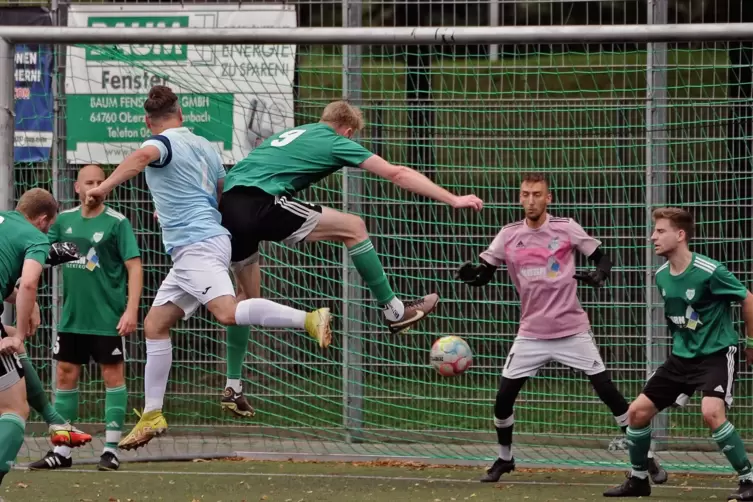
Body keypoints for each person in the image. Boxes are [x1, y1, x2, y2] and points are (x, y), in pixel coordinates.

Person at [85, 85, 332, 451]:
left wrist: (102, 188)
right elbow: (218, 193)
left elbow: (141, 158)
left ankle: (309, 319)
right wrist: (173, 209)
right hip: (199, 245)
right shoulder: (204, 147)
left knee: (229, 313)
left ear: (148, 122)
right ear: (181, 113)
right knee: (155, 325)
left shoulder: (162, 143)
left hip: (197, 246)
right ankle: (153, 414)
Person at [217, 100, 483, 412]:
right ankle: (394, 310)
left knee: (246, 302)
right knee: (354, 227)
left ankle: (233, 386)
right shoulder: (335, 140)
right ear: (348, 131)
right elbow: (397, 173)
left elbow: (228, 178)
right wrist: (452, 198)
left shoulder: (292, 134)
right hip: (261, 205)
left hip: (228, 209)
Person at [456, 173, 666, 484]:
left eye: (537, 194)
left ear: (548, 198)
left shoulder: (565, 228)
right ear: (519, 198)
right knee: (503, 399)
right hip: (531, 332)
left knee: (609, 393)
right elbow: (486, 272)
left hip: (572, 329)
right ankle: (504, 458)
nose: (530, 200)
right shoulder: (508, 234)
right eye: (525, 194)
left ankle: (645, 456)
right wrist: (473, 276)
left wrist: (599, 275)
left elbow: (602, 256)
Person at [604, 207, 753, 500]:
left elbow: (748, 299)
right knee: (637, 413)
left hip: (716, 353)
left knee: (711, 413)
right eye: (654, 231)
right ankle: (638, 479)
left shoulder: (711, 271)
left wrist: (752, 343)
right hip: (681, 358)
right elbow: (687, 318)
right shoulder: (661, 276)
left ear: (680, 235)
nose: (652, 237)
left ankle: (749, 479)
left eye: (660, 231)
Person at [29, 165, 143, 472]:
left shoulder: (117, 223)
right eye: (88, 182)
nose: (94, 186)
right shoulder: (63, 221)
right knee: (65, 375)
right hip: (72, 318)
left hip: (107, 317)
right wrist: (31, 299)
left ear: (106, 186)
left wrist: (131, 309)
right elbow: (39, 256)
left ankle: (111, 449)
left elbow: (134, 266)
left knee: (112, 377)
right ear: (77, 188)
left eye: (99, 182)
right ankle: (62, 450)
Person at [0, 189, 91, 489]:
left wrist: (27, 309)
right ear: (42, 220)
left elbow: (14, 285)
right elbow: (28, 282)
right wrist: (23, 330)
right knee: (14, 410)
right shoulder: (35, 237)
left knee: (11, 339)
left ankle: (55, 420)